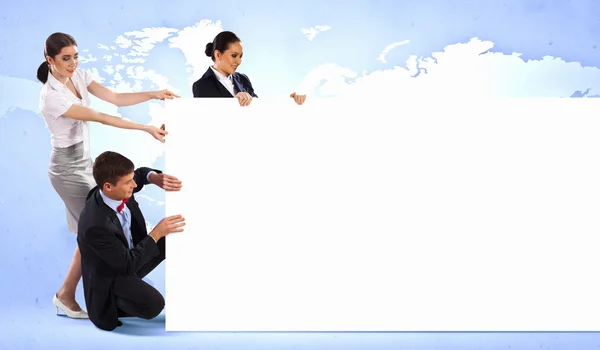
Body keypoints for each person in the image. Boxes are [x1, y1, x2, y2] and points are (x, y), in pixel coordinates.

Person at [37, 32, 180, 319]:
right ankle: (99, 291)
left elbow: (115, 98)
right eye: (66, 58)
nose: (73, 63)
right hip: (66, 169)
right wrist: (146, 128)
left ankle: (70, 293)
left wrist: (154, 93)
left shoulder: (78, 76)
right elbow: (101, 117)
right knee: (94, 228)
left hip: (83, 160)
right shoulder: (51, 97)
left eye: (76, 56)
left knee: (88, 233)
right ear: (50, 61)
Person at [77, 151, 185, 331]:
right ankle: (117, 303)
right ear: (108, 187)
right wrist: (156, 233)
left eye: (132, 178)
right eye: (128, 182)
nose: (134, 185)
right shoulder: (94, 225)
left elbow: (141, 175)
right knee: (154, 305)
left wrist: (154, 177)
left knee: (173, 237)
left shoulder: (114, 188)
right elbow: (127, 265)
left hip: (128, 255)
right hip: (114, 274)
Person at [192, 30, 307, 106]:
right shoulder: (201, 85)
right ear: (218, 55)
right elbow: (209, 121)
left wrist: (290, 103)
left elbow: (259, 108)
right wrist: (233, 103)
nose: (239, 61)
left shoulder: (243, 79)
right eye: (234, 55)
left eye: (240, 56)